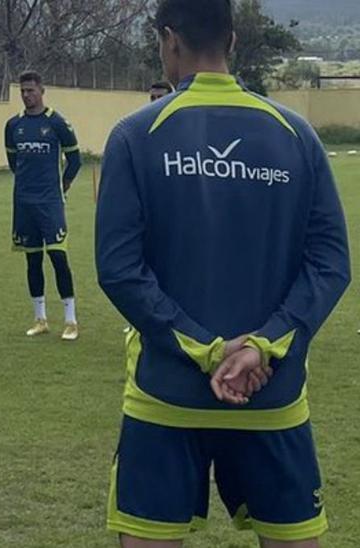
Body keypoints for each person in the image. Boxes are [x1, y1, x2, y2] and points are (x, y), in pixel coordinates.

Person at [97, 0, 350, 545]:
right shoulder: (297, 135)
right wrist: (264, 346)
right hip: (271, 397)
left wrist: (208, 348)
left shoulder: (134, 136)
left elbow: (119, 269)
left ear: (169, 40)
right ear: (233, 42)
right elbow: (331, 263)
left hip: (165, 400)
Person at [4, 71, 83, 341]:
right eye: (23, 91)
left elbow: (75, 160)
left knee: (58, 257)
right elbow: (14, 162)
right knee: (32, 259)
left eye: (31, 90)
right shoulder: (13, 125)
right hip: (24, 203)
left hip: (49, 202)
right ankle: (40, 319)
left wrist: (63, 185)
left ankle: (71, 321)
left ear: (42, 90)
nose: (27, 95)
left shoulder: (57, 122)